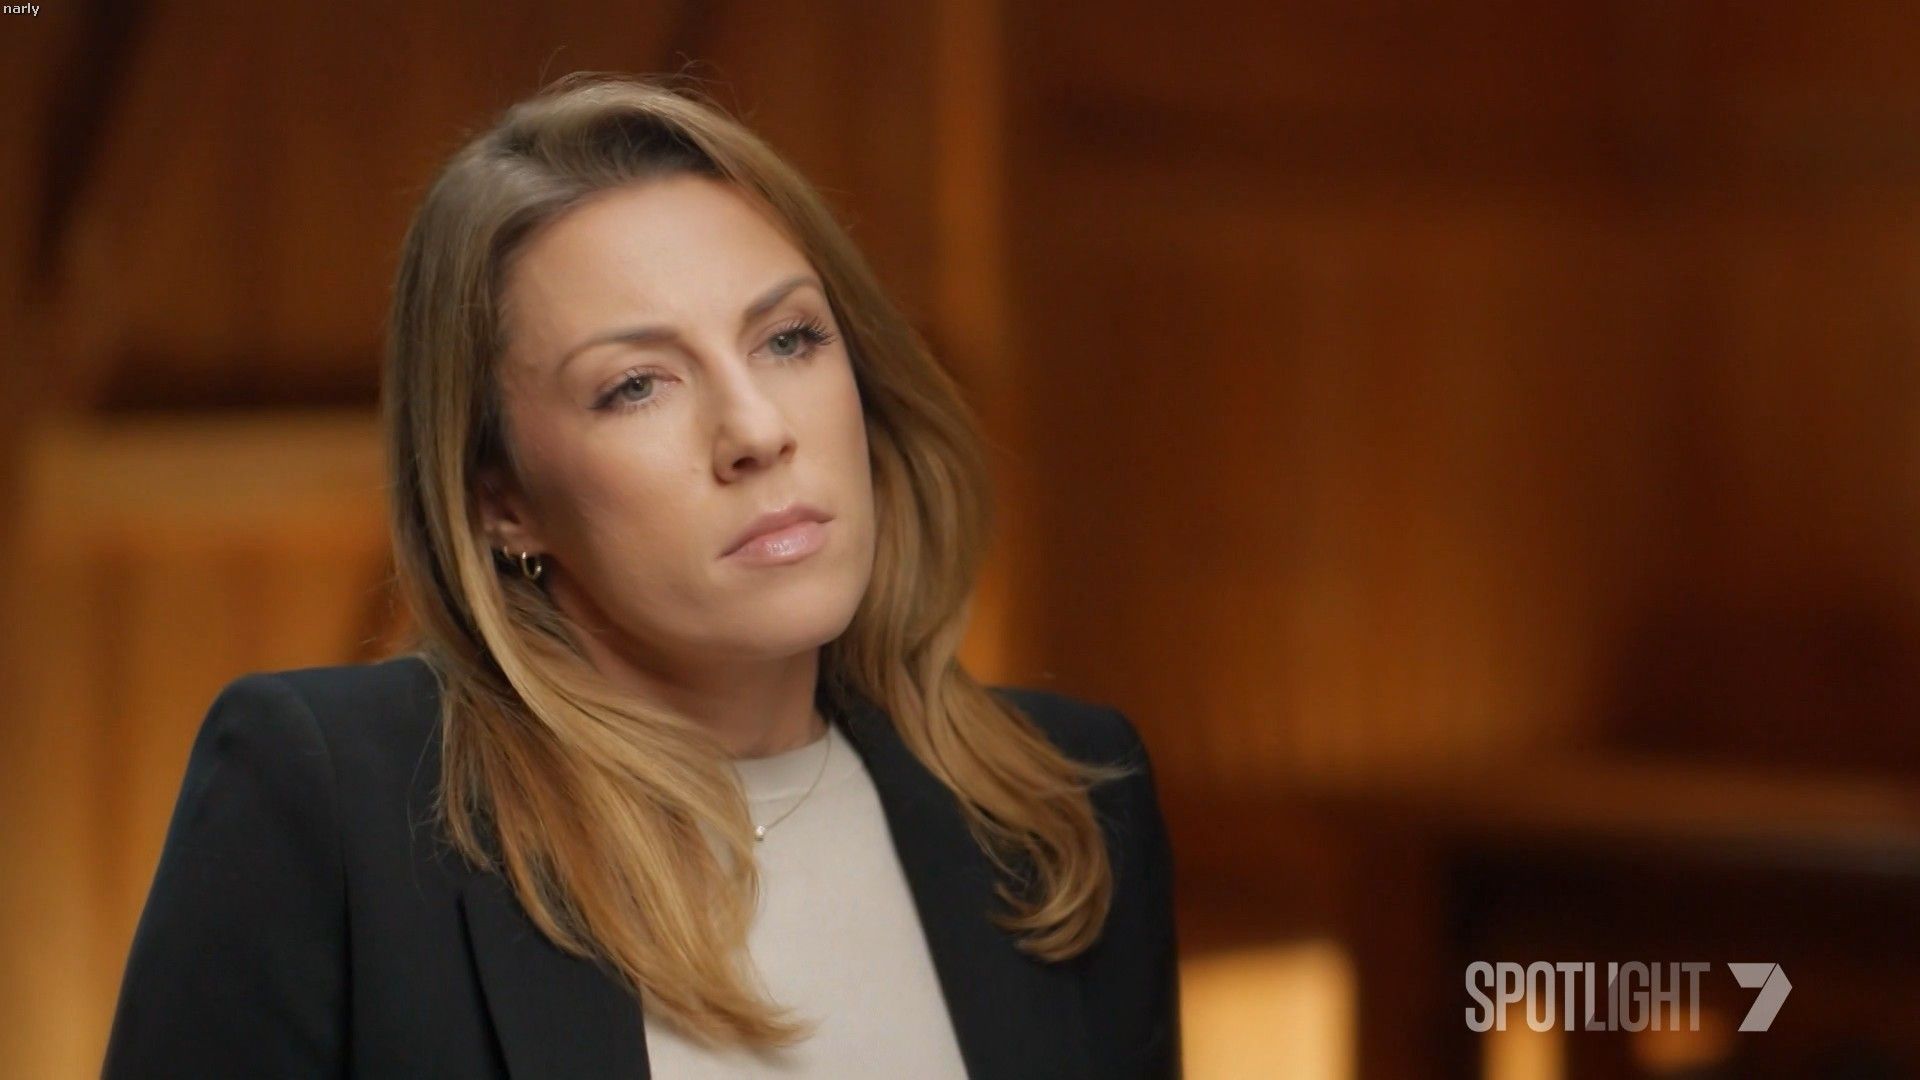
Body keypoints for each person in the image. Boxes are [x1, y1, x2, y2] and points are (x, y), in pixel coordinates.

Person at [101, 71, 1180, 1079]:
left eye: (789, 339)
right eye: (636, 387)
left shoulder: (1068, 805)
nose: (756, 431)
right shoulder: (332, 802)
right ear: (500, 499)